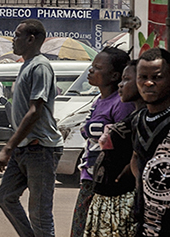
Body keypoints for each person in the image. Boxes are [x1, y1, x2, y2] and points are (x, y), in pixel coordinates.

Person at [0, 19, 62, 237]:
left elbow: (35, 111)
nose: (13, 40)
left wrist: (7, 148)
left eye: (17, 35)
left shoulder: (40, 66)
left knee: (40, 214)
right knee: (5, 197)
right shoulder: (27, 64)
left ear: (31, 39)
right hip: (25, 148)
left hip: (40, 149)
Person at [71, 47, 134, 237]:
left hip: (107, 181)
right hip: (90, 177)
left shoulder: (122, 104)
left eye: (97, 68)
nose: (91, 71)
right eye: (92, 66)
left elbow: (124, 144)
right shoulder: (99, 100)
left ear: (114, 75)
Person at [83, 60, 143, 237]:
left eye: (126, 80)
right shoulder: (134, 117)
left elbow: (137, 157)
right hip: (106, 199)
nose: (120, 85)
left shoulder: (141, 119)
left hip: (121, 200)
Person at [131, 48, 170, 236]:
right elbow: (136, 158)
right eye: (142, 77)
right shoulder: (139, 120)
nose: (148, 83)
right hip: (146, 221)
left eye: (157, 77)